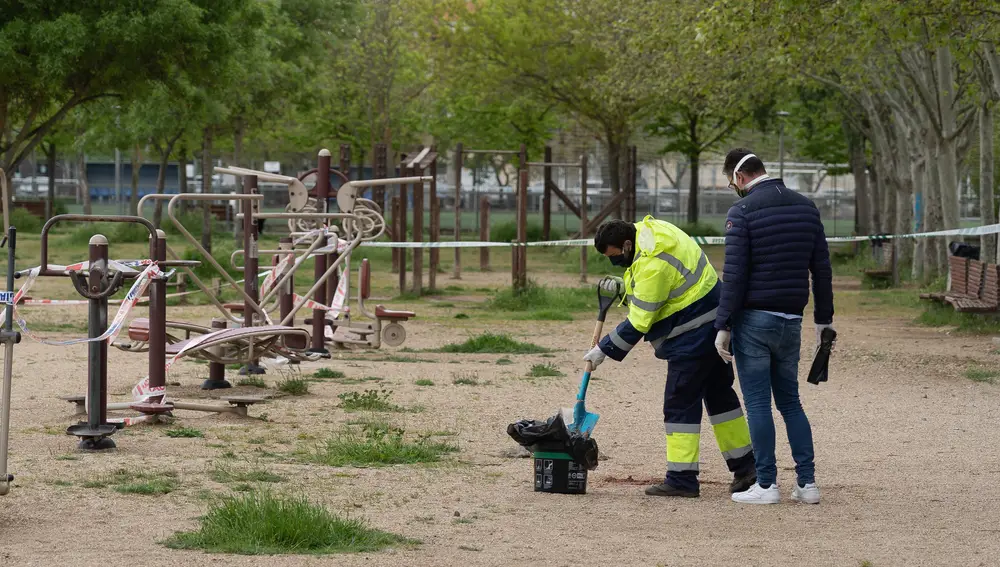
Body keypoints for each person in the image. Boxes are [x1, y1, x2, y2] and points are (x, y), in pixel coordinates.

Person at [584, 216, 756, 498]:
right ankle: (747, 467)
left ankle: (682, 479)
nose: (615, 263)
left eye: (615, 257)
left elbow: (641, 318)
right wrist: (626, 286)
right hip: (716, 324)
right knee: (720, 397)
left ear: (627, 244)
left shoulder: (653, 263)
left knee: (679, 403)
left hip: (693, 335)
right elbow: (667, 288)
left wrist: (604, 349)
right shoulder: (653, 230)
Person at [713, 149, 834, 505]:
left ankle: (766, 485)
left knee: (758, 404)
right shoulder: (806, 207)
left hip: (754, 320)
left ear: (738, 178)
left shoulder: (742, 211)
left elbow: (733, 275)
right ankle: (807, 483)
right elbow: (822, 269)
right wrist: (823, 320)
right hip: (791, 320)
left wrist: (723, 324)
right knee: (791, 403)